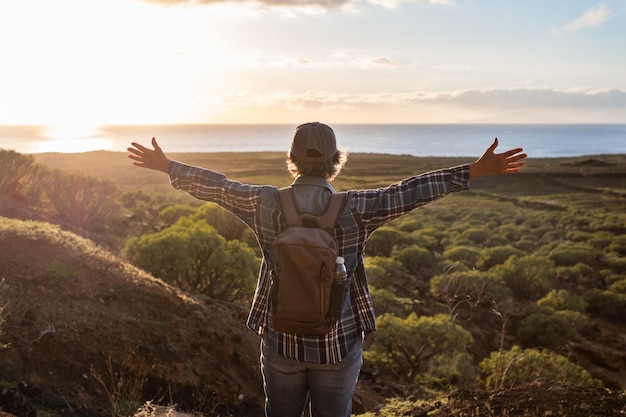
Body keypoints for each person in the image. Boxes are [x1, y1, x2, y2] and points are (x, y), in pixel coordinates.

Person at [127, 122, 526, 417]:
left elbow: (218, 186)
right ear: (336, 162)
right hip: (338, 340)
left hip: (281, 339)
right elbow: (410, 191)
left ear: (292, 159)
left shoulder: (264, 202)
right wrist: (472, 171)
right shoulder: (357, 207)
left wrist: (168, 167)